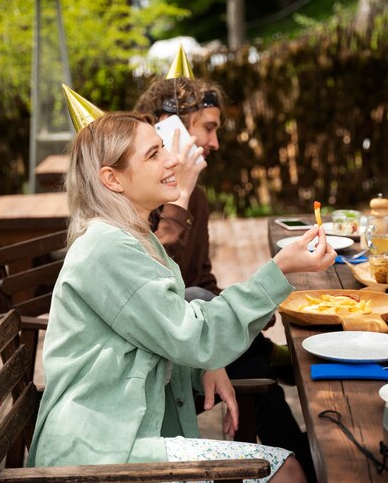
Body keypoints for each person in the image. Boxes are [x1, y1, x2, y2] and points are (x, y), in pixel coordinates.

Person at [27, 111, 335, 482]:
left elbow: (153, 336)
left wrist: (201, 365)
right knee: (285, 471)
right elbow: (193, 336)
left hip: (119, 437)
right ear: (112, 179)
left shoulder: (131, 238)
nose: (172, 159)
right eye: (154, 153)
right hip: (98, 451)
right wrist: (280, 269)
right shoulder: (107, 248)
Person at [135, 76, 317, 481]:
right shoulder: (144, 200)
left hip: (190, 339)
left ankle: (298, 446)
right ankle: (301, 448)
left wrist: (244, 311)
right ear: (172, 127)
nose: (215, 143)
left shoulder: (194, 195)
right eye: (209, 127)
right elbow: (161, 280)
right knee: (252, 361)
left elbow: (201, 277)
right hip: (165, 354)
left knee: (241, 346)